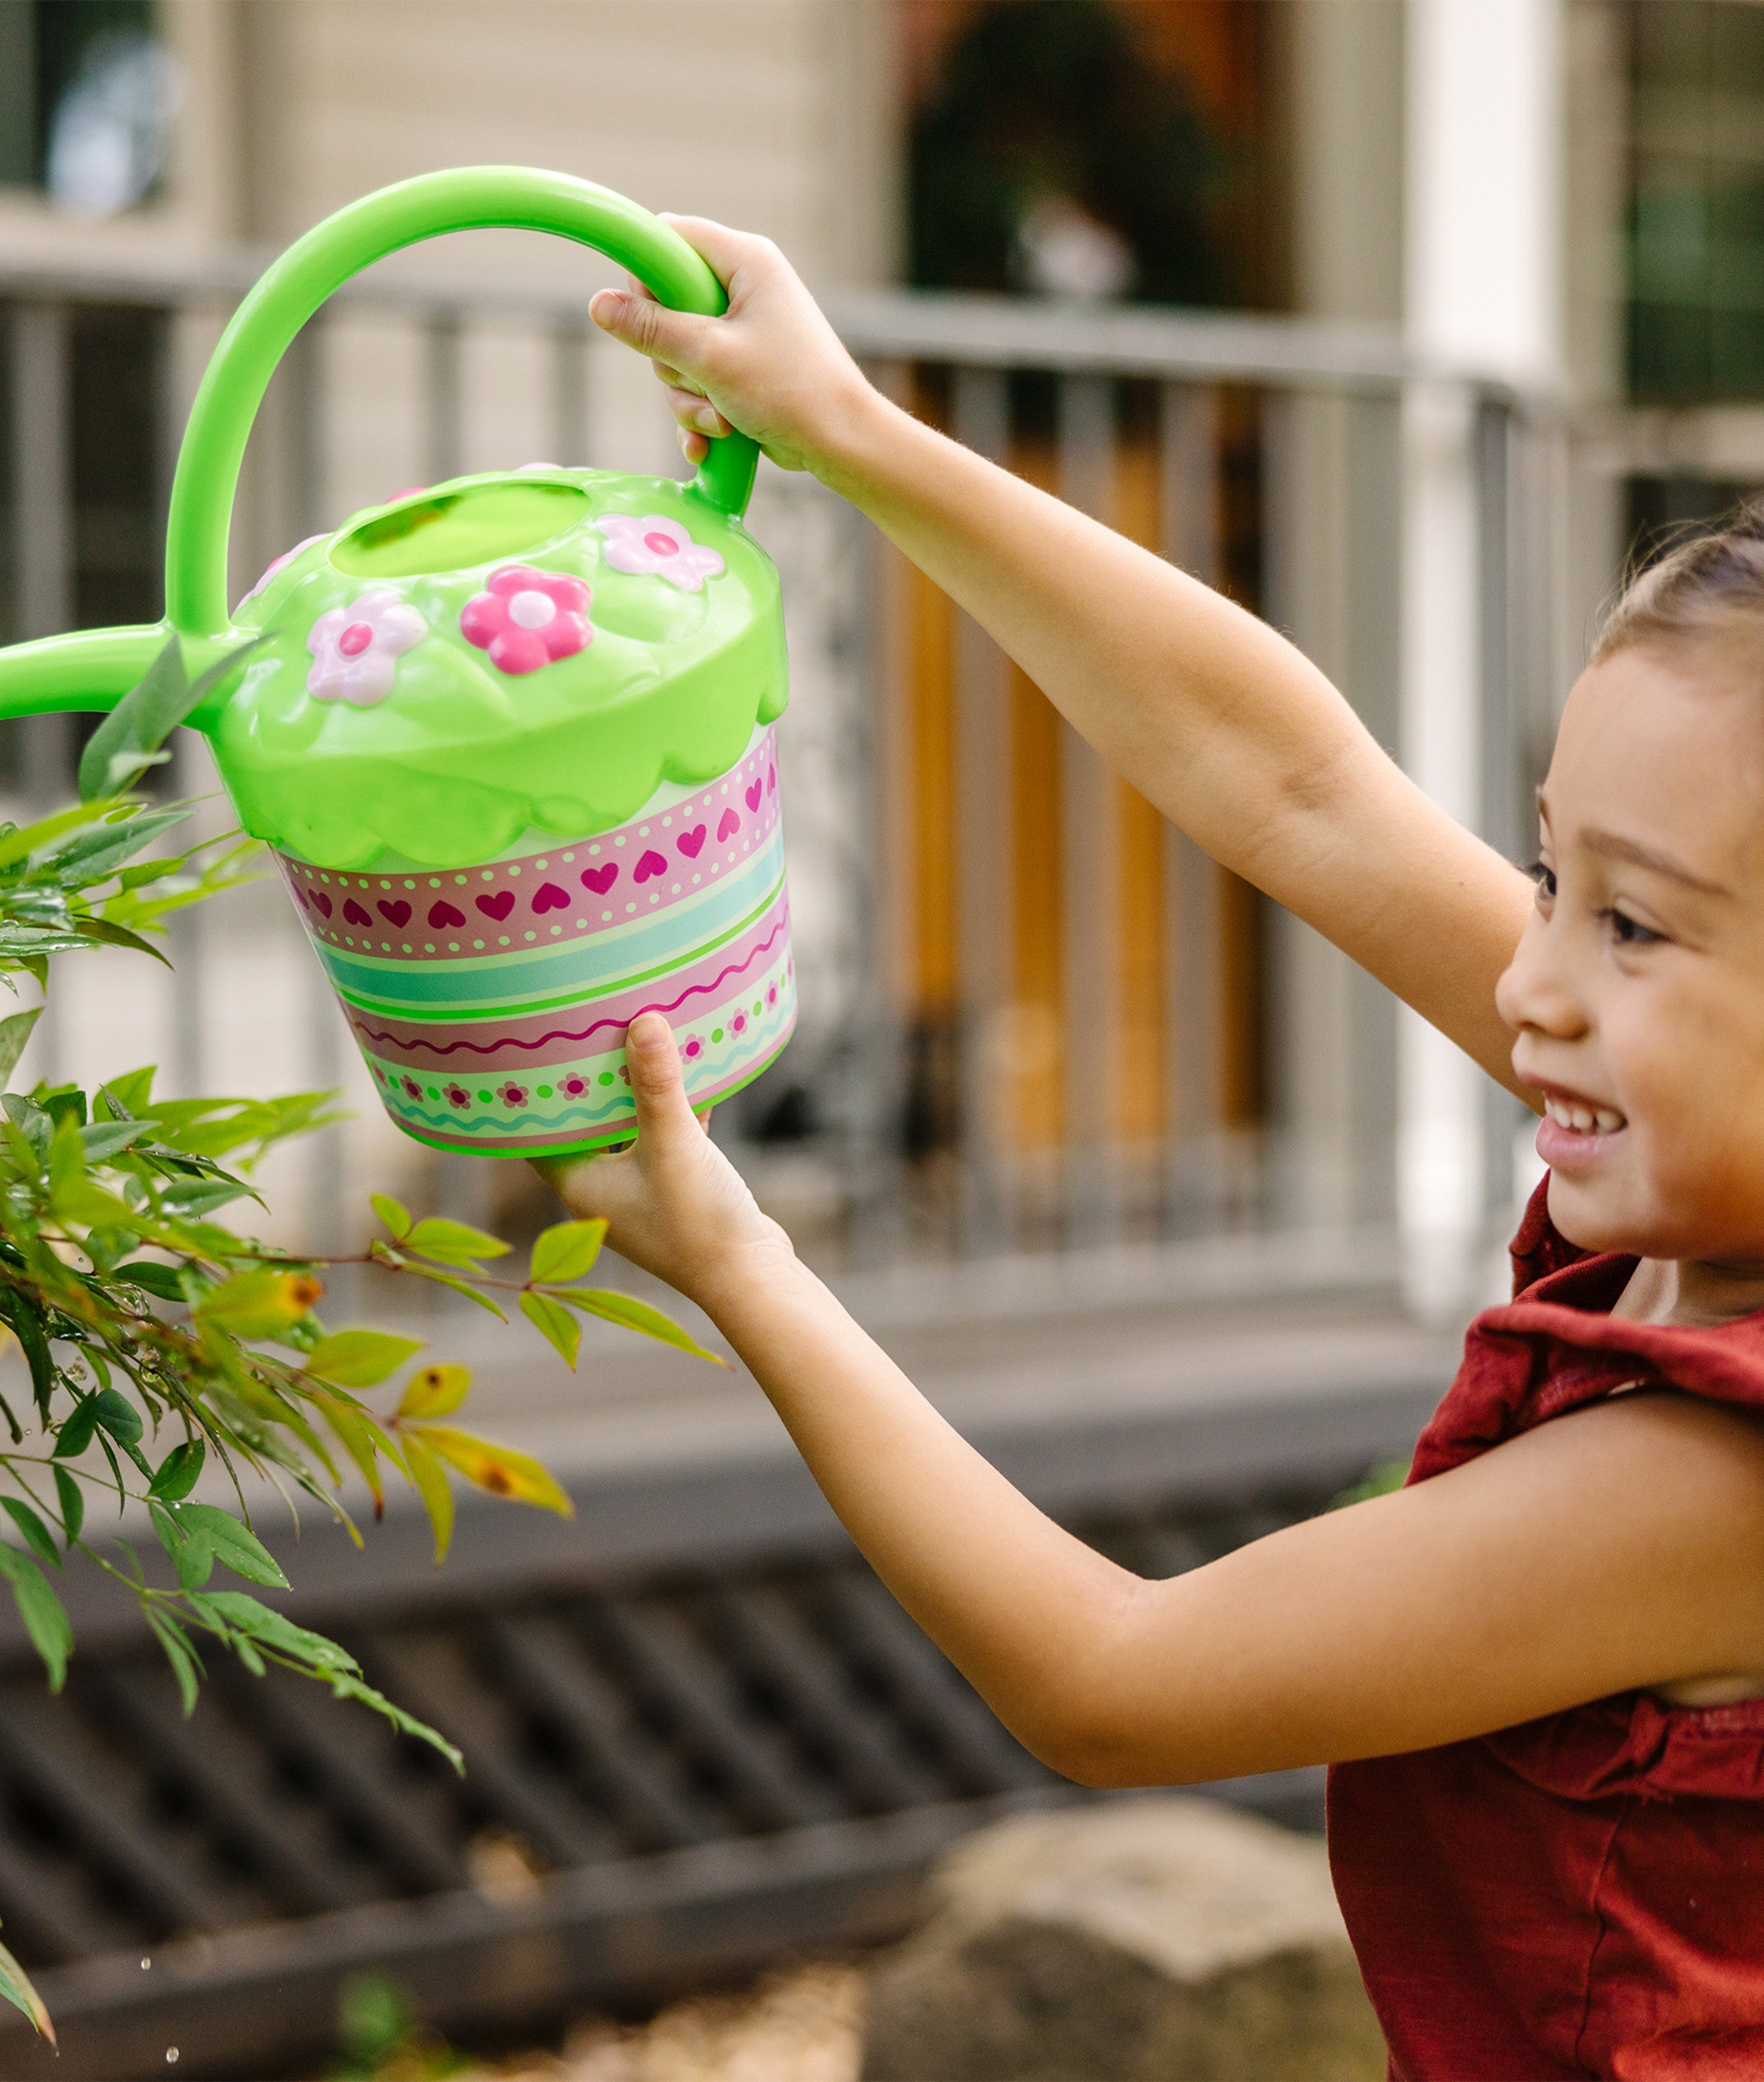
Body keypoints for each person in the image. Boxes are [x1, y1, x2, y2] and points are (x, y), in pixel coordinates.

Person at [543, 219, 1764, 2077]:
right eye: (1546, 872)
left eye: (1637, 924)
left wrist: (739, 1262)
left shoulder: (1711, 1486)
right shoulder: (1665, 1117)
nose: (1532, 979)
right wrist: (849, 428)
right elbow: (1298, 786)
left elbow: (1112, 1683)